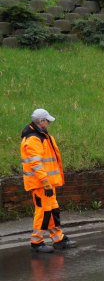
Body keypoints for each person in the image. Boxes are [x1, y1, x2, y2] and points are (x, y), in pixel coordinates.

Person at [20, 108, 75, 253]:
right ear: (41, 121)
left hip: (47, 183)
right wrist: (45, 182)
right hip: (41, 184)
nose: (49, 123)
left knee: (52, 210)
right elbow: (36, 163)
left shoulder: (42, 135)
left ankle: (58, 238)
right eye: (47, 121)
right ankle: (36, 242)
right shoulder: (34, 139)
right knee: (43, 212)